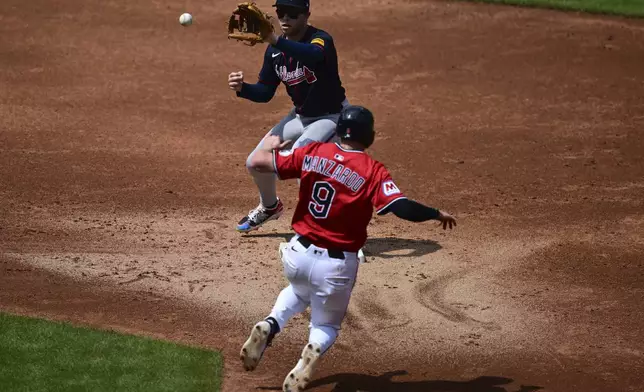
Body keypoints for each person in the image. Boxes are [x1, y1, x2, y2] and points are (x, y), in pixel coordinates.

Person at [238, 105, 457, 391]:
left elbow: (261, 162)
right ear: (370, 137)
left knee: (298, 291)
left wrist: (269, 146)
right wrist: (434, 212)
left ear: (338, 131)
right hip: (335, 267)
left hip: (297, 255)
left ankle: (271, 323)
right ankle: (313, 347)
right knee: (325, 327)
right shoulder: (372, 171)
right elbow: (401, 207)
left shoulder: (313, 152)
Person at [228, 0, 349, 233]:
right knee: (255, 162)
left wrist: (276, 40)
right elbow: (265, 93)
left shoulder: (320, 39)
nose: (285, 18)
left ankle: (324, 226)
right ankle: (270, 206)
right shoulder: (274, 52)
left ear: (306, 15)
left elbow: (313, 56)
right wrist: (243, 88)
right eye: (281, 12)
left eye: (292, 14)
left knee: (302, 158)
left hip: (332, 116)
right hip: (301, 116)